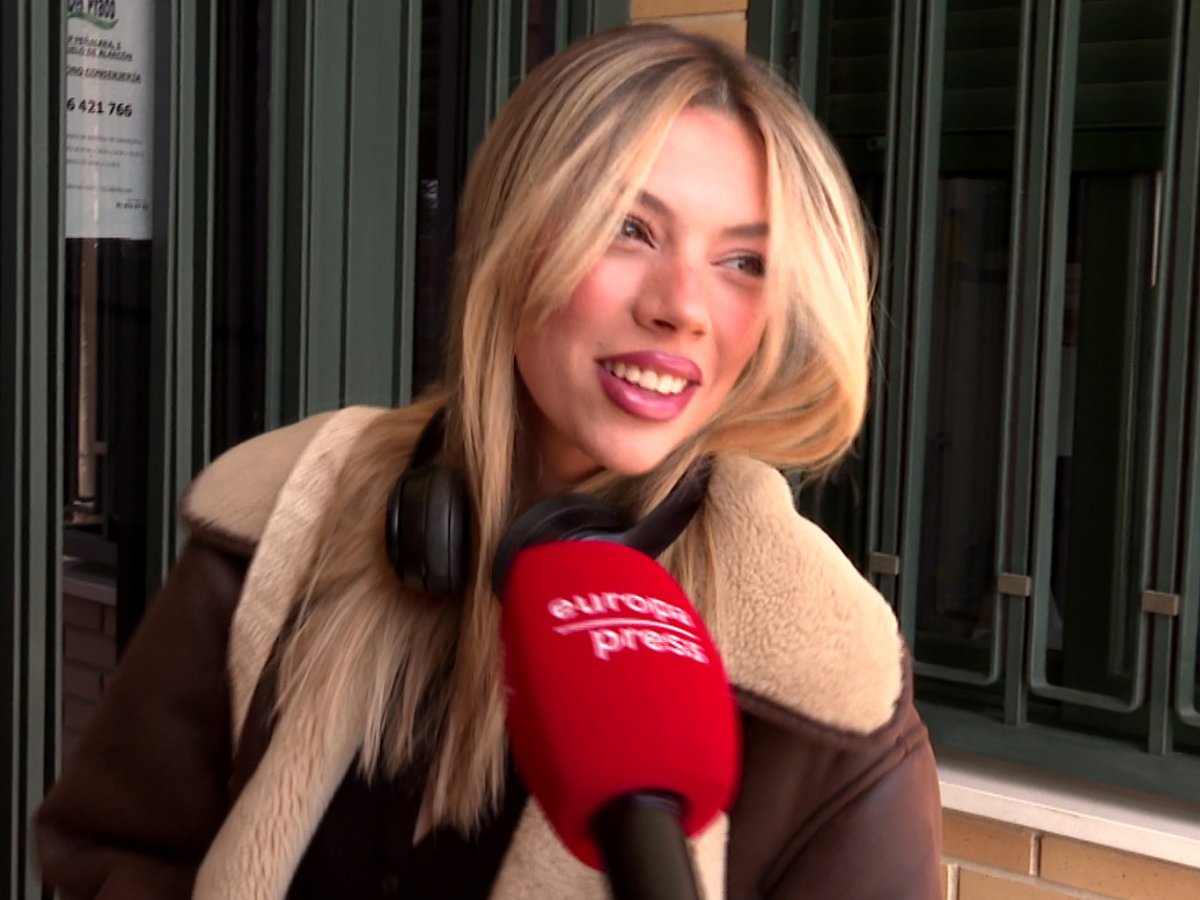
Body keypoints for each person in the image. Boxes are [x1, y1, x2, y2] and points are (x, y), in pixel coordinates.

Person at [36, 23, 942, 900]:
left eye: (743, 260)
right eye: (629, 227)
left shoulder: (827, 675)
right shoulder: (284, 514)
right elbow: (116, 850)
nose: (683, 308)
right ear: (517, 238)